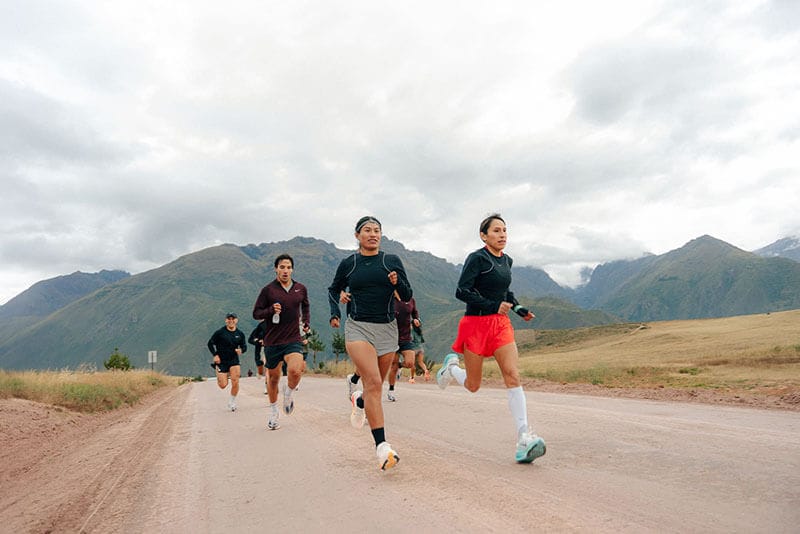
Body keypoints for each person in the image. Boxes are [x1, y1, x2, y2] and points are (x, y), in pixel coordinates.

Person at [437, 214, 546, 464]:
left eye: (505, 230)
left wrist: (518, 309)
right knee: (474, 385)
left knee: (512, 374)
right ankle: (452, 369)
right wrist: (492, 305)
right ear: (483, 236)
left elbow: (505, 292)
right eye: (496, 230)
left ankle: (523, 438)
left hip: (500, 326)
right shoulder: (477, 259)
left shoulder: (506, 260)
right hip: (475, 325)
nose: (502, 235)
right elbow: (461, 291)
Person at [329, 216, 412, 470]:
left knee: (374, 388)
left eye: (377, 230)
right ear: (357, 235)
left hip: (387, 329)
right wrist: (335, 310)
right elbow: (333, 289)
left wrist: (399, 283)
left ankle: (360, 401)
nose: (373, 234)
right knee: (374, 382)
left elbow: (407, 296)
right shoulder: (350, 263)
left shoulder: (391, 261)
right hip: (358, 327)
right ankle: (382, 447)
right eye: (367, 230)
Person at [253, 254, 311, 430]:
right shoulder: (268, 290)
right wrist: (271, 310)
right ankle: (273, 412)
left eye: (288, 267)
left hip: (293, 338)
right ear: (276, 269)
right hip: (272, 341)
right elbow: (256, 313)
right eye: (282, 267)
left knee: (295, 370)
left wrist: (306, 322)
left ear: (292, 269)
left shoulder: (300, 288)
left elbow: (305, 306)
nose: (285, 270)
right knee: (273, 379)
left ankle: (289, 393)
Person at [207, 312, 247, 411]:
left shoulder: (240, 334)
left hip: (234, 360)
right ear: (226, 320)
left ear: (236, 320)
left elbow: (244, 346)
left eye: (233, 319)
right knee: (223, 385)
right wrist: (215, 355)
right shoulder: (220, 333)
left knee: (235, 380)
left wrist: (241, 350)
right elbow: (210, 343)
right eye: (229, 319)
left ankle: (232, 401)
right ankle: (220, 372)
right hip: (221, 361)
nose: (231, 321)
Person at [387, 292, 420, 400]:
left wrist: (416, 319)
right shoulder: (389, 299)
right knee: (393, 366)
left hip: (406, 337)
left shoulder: (410, 299)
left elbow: (415, 313)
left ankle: (400, 367)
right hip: (392, 338)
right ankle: (391, 390)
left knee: (410, 363)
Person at [248, 320, 269, 394]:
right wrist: (258, 342)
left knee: (267, 368)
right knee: (260, 370)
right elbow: (250, 340)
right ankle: (259, 373)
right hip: (259, 351)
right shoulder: (258, 329)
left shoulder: (273, 326)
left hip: (269, 349)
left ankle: (267, 387)